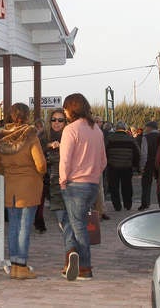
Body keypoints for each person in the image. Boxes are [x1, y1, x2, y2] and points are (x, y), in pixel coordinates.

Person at [0, 102, 46, 280]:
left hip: (11, 185)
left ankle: (14, 265)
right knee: (24, 227)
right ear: (27, 116)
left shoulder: (1, 137)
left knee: (13, 226)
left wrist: (8, 172)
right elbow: (41, 164)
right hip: (29, 185)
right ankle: (21, 265)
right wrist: (38, 174)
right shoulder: (30, 135)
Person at [59, 93, 107, 281]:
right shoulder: (96, 129)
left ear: (71, 109)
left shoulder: (71, 130)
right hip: (92, 183)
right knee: (72, 222)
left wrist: (63, 179)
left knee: (77, 225)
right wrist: (93, 173)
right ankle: (70, 257)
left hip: (74, 183)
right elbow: (103, 160)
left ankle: (85, 267)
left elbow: (65, 159)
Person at [104, 120, 141, 211]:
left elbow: (104, 152)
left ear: (116, 128)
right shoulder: (130, 138)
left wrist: (108, 162)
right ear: (125, 128)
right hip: (127, 167)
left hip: (112, 167)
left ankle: (117, 206)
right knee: (127, 186)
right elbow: (137, 153)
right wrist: (135, 165)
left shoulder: (110, 138)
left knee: (114, 187)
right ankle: (127, 205)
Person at [43, 109, 68, 234]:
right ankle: (62, 225)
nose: (56, 122)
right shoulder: (44, 134)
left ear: (65, 122)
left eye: (60, 120)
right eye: (53, 119)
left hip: (68, 175)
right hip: (50, 176)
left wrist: (62, 145)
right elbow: (37, 148)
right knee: (57, 200)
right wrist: (48, 146)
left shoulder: (69, 134)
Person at [139, 120, 160, 210]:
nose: (145, 129)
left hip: (149, 162)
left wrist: (142, 166)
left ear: (149, 127)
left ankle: (145, 203)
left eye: (146, 127)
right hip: (159, 162)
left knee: (146, 184)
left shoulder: (146, 137)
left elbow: (144, 153)